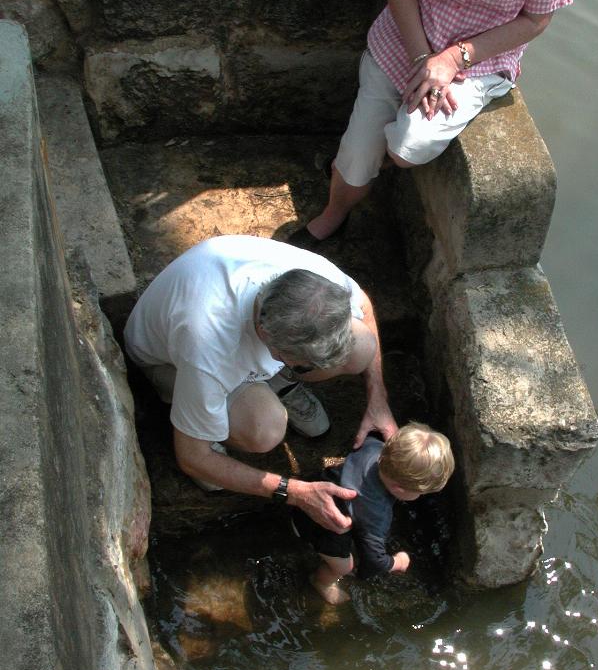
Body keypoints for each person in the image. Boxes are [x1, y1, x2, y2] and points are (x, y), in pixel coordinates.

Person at [290, 0, 580, 248]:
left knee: (410, 147)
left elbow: (536, 20)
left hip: (478, 59)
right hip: (405, 35)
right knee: (357, 156)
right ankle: (335, 211)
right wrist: (422, 58)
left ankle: (372, 165)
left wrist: (451, 58)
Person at [123, 235, 398, 532]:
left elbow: (364, 307)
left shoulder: (317, 283)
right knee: (265, 430)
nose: (321, 372)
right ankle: (208, 422)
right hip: (167, 362)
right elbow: (192, 457)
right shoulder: (210, 348)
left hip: (239, 341)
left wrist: (378, 400)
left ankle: (280, 383)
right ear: (270, 342)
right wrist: (296, 493)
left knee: (361, 347)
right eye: (305, 365)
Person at [291, 422, 455, 604]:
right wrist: (397, 562)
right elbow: (374, 561)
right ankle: (321, 582)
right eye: (420, 492)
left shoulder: (374, 446)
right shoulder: (377, 515)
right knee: (344, 567)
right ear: (398, 488)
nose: (421, 495)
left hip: (313, 488)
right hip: (316, 524)